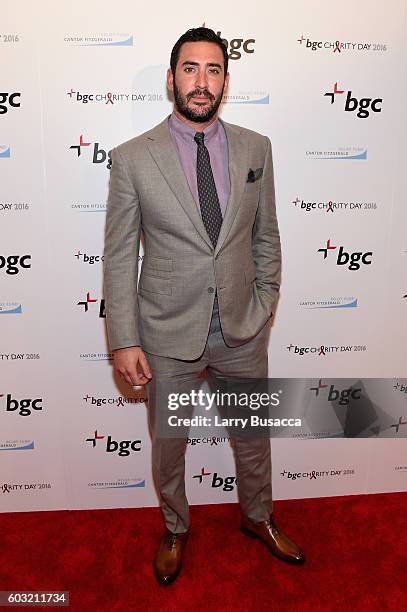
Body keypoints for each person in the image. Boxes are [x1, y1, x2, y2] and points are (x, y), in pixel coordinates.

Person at [103, 27, 305, 585]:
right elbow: (119, 256)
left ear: (225, 80)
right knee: (170, 445)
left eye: (213, 70)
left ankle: (258, 517)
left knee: (253, 437)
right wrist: (124, 338)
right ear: (172, 79)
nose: (201, 81)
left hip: (241, 329)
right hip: (166, 333)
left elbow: (267, 237)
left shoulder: (254, 147)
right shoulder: (132, 158)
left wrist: (263, 305)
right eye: (190, 69)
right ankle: (174, 526)